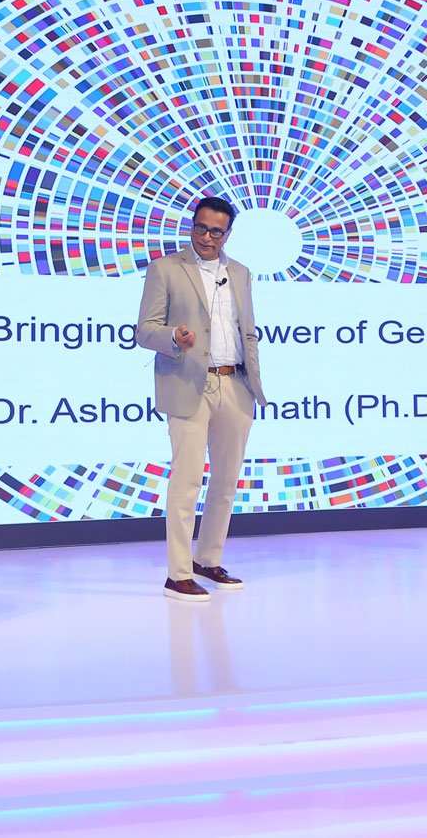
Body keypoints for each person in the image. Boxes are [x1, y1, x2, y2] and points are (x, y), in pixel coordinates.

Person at [136, 197, 267, 602]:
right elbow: (144, 330)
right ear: (192, 225)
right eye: (200, 228)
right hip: (189, 382)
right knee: (187, 480)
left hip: (235, 383)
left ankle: (207, 560)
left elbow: (246, 330)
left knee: (226, 481)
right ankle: (177, 574)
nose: (206, 237)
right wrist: (174, 337)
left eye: (215, 232)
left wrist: (254, 381)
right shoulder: (165, 269)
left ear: (228, 234)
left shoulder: (240, 272)